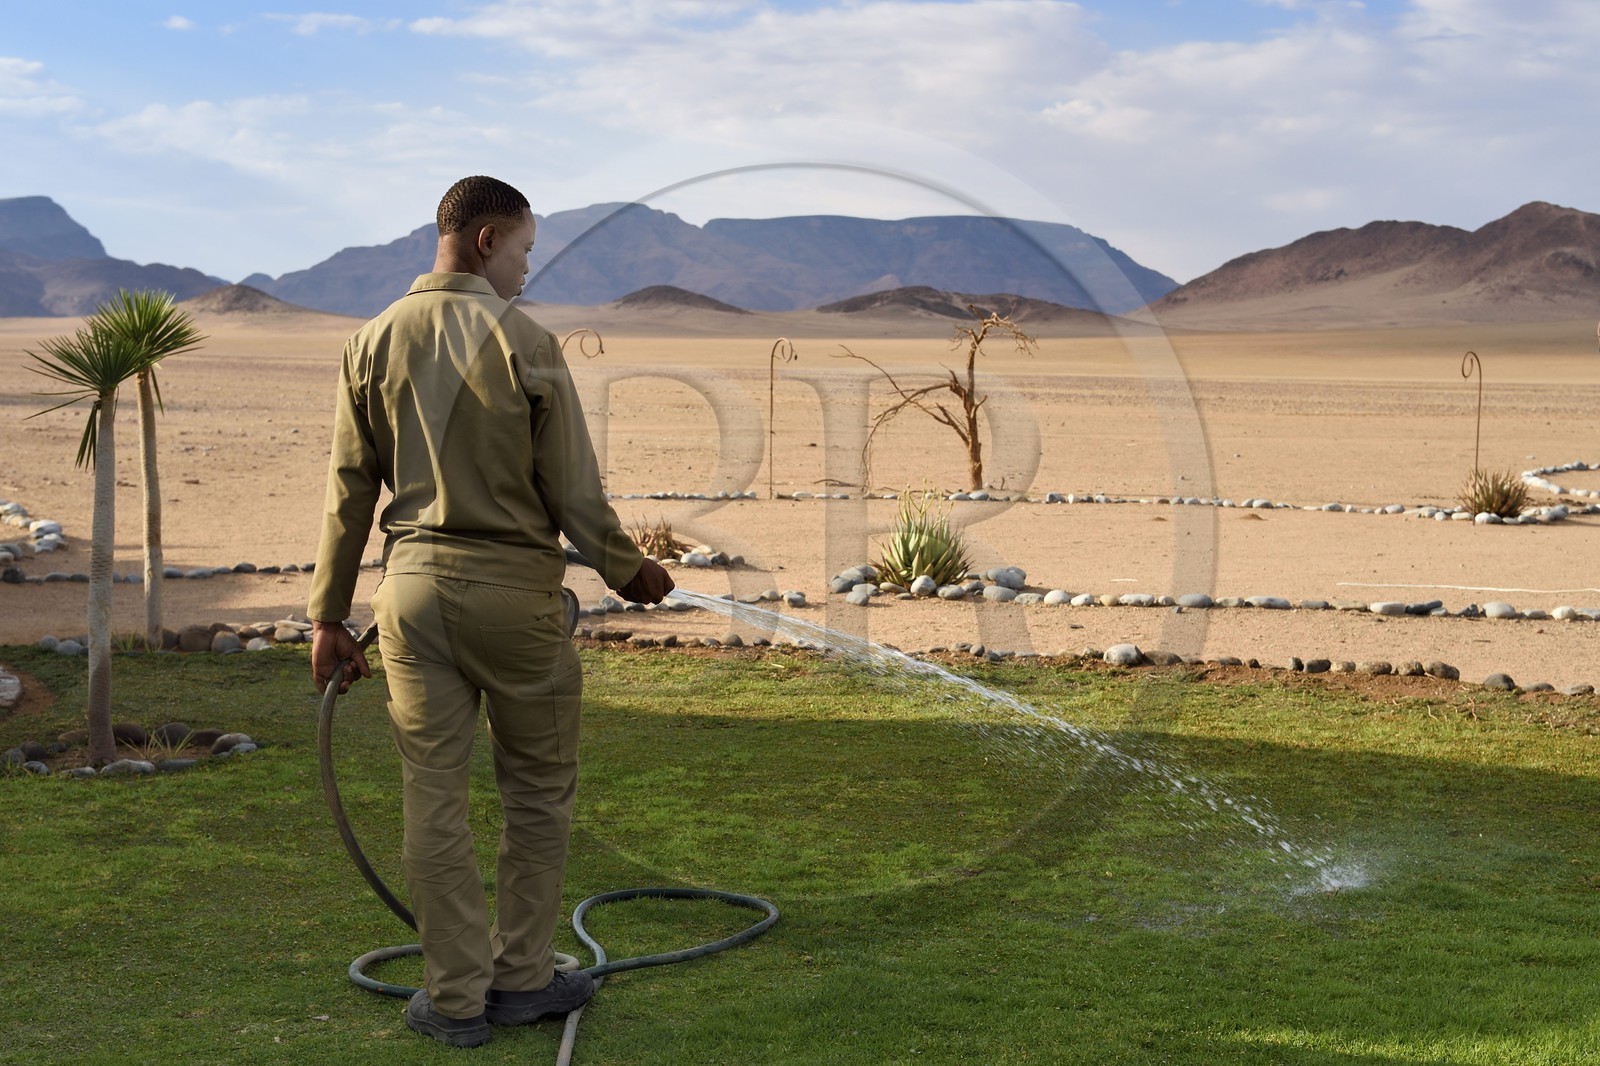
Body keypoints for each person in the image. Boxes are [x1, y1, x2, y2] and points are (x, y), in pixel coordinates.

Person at [307, 175, 674, 1048]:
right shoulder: (527, 340)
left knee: (431, 796)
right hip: (515, 596)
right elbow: (572, 490)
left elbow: (348, 492)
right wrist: (631, 571)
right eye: (523, 250)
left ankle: (456, 1001)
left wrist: (327, 616)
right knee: (537, 794)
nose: (524, 268)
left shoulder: (369, 341)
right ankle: (521, 978)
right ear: (484, 241)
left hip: (412, 598)